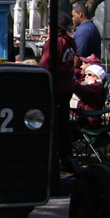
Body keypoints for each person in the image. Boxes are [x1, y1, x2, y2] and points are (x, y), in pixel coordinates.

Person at [39, 11, 77, 172]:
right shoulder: (70, 42)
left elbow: (44, 67)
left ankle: (52, 158)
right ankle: (66, 156)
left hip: (56, 89)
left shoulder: (54, 43)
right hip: (67, 88)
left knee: (53, 125)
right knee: (64, 125)